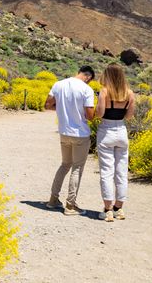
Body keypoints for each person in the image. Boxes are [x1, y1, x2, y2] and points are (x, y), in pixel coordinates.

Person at [44, 65, 96, 215]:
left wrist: (62, 110)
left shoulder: (58, 84)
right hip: (80, 134)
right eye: (90, 81)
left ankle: (53, 200)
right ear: (88, 76)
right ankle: (70, 205)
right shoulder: (86, 89)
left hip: (64, 132)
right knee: (77, 168)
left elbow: (48, 105)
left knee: (65, 165)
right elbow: (90, 115)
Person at [95, 64, 135, 222]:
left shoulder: (104, 91)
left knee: (106, 171)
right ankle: (119, 208)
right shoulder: (129, 93)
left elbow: (99, 113)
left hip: (106, 131)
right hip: (121, 131)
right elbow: (129, 116)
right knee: (121, 172)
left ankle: (108, 210)